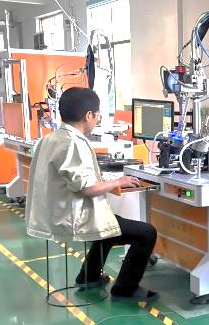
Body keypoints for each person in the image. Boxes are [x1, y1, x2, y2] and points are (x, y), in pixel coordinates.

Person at [26, 87, 159, 302]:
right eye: (97, 116)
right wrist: (118, 181)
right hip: (73, 218)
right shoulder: (73, 143)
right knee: (146, 233)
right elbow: (86, 188)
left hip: (54, 212)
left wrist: (107, 182)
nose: (97, 120)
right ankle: (125, 289)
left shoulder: (51, 138)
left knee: (112, 227)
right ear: (89, 115)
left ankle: (88, 277)